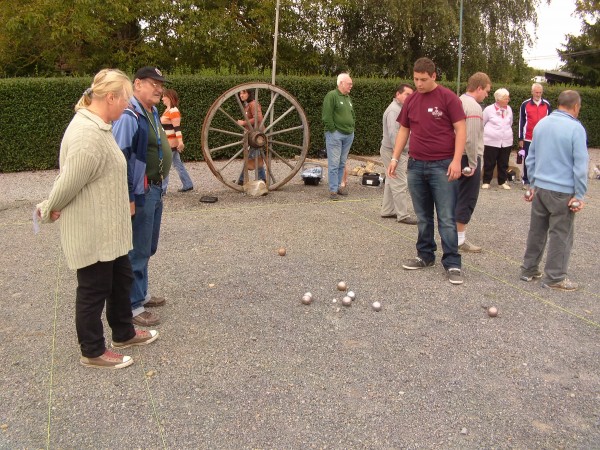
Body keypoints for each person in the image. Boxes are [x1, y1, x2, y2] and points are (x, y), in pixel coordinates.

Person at [36, 69, 159, 369]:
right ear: (111, 97)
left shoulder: (101, 127)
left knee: (121, 280)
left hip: (110, 231)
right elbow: (69, 181)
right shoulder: (86, 134)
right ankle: (92, 351)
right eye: (125, 100)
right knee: (93, 290)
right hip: (93, 230)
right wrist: (49, 206)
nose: (127, 107)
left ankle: (123, 332)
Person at [388, 57, 466, 285]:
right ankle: (425, 255)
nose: (419, 84)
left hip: (442, 166)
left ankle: (452, 263)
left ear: (434, 76)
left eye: (423, 79)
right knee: (423, 217)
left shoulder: (448, 98)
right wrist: (395, 157)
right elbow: (404, 130)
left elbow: (460, 130)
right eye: (415, 79)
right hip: (416, 165)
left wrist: (456, 161)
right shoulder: (411, 100)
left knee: (446, 218)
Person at [113, 67, 173, 327]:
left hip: (156, 188)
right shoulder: (129, 115)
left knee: (148, 247)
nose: (159, 88)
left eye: (161, 84)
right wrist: (128, 196)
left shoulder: (153, 111)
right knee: (137, 249)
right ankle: (133, 306)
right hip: (141, 191)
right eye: (153, 83)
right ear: (137, 84)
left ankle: (142, 293)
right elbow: (119, 159)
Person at [520, 90, 588, 291]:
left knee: (537, 230)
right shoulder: (576, 128)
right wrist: (580, 194)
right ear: (575, 106)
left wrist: (532, 184)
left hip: (540, 186)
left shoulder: (541, 124)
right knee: (561, 233)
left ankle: (529, 269)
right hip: (562, 191)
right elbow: (581, 164)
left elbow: (530, 157)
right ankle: (555, 277)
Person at [456, 72, 491, 253]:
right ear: (479, 88)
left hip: (456, 157)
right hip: (468, 157)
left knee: (455, 197)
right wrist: (473, 163)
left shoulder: (457, 101)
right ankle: (460, 240)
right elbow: (470, 138)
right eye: (486, 91)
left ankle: (454, 236)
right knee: (467, 197)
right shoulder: (474, 108)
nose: (487, 95)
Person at [380, 83, 417, 224]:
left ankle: (387, 210)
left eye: (411, 95)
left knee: (391, 180)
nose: (409, 98)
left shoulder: (401, 109)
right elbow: (394, 135)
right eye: (406, 94)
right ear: (398, 94)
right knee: (400, 182)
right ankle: (403, 215)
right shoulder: (394, 111)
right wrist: (398, 155)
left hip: (393, 150)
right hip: (393, 151)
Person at [322, 73, 355, 200]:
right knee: (334, 163)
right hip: (336, 135)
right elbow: (326, 116)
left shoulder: (347, 98)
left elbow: (352, 114)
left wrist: (352, 129)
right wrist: (333, 131)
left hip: (348, 134)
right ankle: (333, 190)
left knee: (342, 162)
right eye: (349, 83)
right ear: (341, 83)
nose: (351, 86)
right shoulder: (332, 96)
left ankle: (338, 187)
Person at [518, 83, 551, 189]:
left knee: (542, 158)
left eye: (540, 92)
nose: (538, 94)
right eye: (536, 92)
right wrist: (520, 138)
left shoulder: (546, 104)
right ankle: (526, 180)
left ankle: (539, 180)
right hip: (528, 137)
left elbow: (550, 121)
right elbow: (521, 121)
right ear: (532, 92)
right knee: (528, 159)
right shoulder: (525, 104)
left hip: (543, 137)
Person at [161, 88, 194, 192]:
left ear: (169, 97)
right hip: (168, 143)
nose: (162, 98)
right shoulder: (168, 110)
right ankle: (188, 184)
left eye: (164, 96)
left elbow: (177, 128)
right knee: (177, 164)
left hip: (170, 144)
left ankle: (162, 189)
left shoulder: (174, 111)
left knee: (165, 165)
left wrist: (180, 142)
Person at [482, 88, 514, 190]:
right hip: (491, 141)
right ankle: (486, 181)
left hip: (506, 140)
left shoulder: (509, 109)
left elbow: (510, 122)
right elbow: (482, 123)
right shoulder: (488, 109)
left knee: (504, 162)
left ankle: (502, 181)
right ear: (498, 99)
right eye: (505, 98)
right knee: (489, 162)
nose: (507, 100)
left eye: (508, 98)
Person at [236, 89, 266, 184]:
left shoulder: (253, 104)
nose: (241, 95)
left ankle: (242, 180)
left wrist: (244, 122)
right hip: (252, 135)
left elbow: (259, 118)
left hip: (257, 135)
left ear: (249, 94)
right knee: (254, 156)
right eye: (240, 93)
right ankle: (261, 179)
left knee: (252, 157)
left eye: (244, 93)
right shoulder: (248, 106)